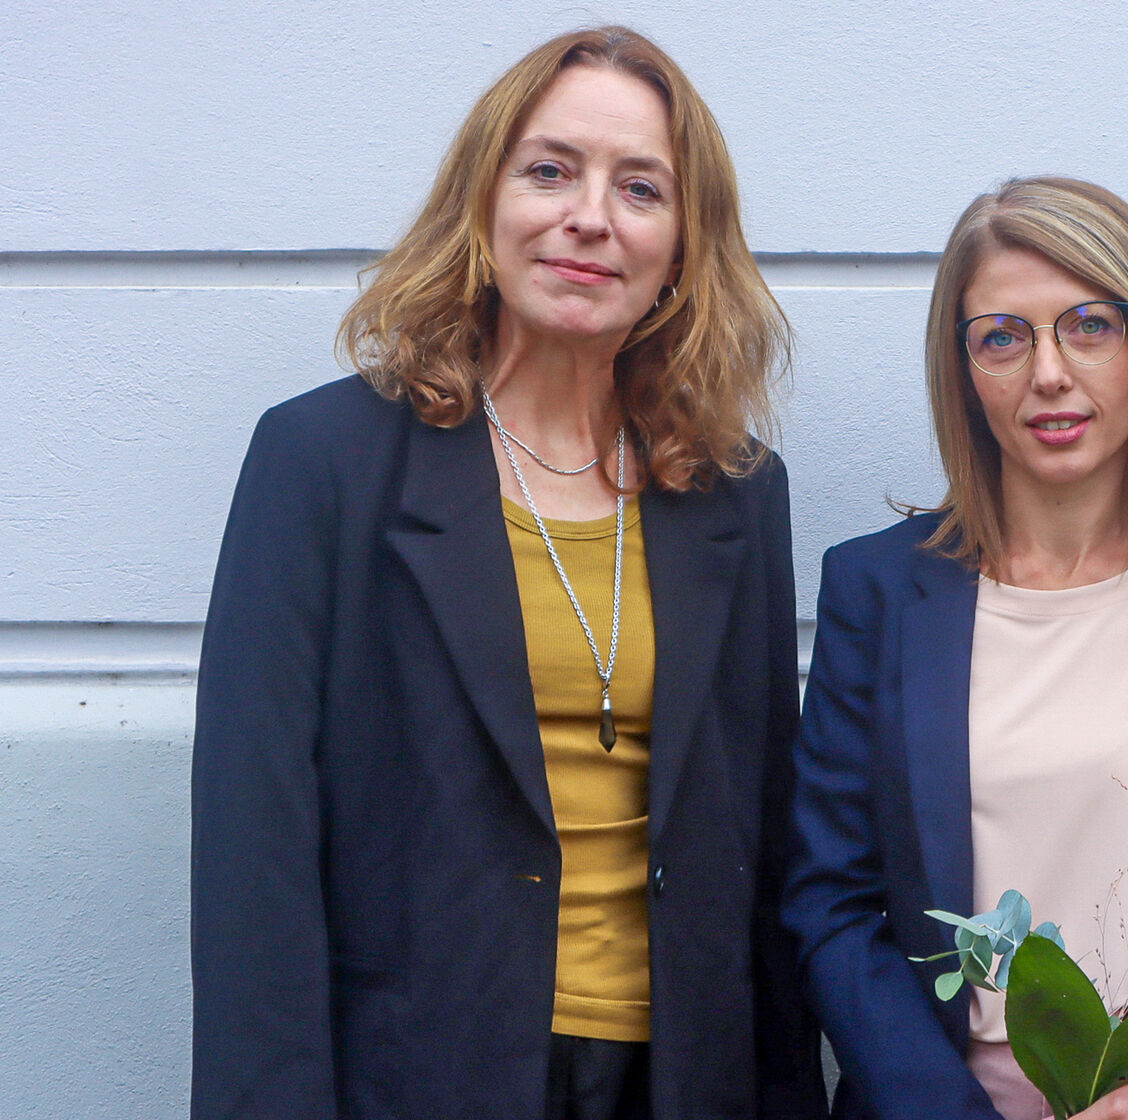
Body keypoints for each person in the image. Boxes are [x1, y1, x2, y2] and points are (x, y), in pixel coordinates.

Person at [190, 27, 822, 1120]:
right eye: (549, 170)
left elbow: (763, 847)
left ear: (681, 247)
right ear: (481, 203)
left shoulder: (732, 491)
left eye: (640, 188)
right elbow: (256, 857)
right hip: (423, 1069)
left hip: (680, 1074)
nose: (590, 215)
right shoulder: (323, 464)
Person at [783, 176, 1128, 1120]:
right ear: (963, 370)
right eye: (1003, 336)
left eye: (1089, 325)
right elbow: (830, 904)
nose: (1049, 371)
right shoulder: (878, 592)